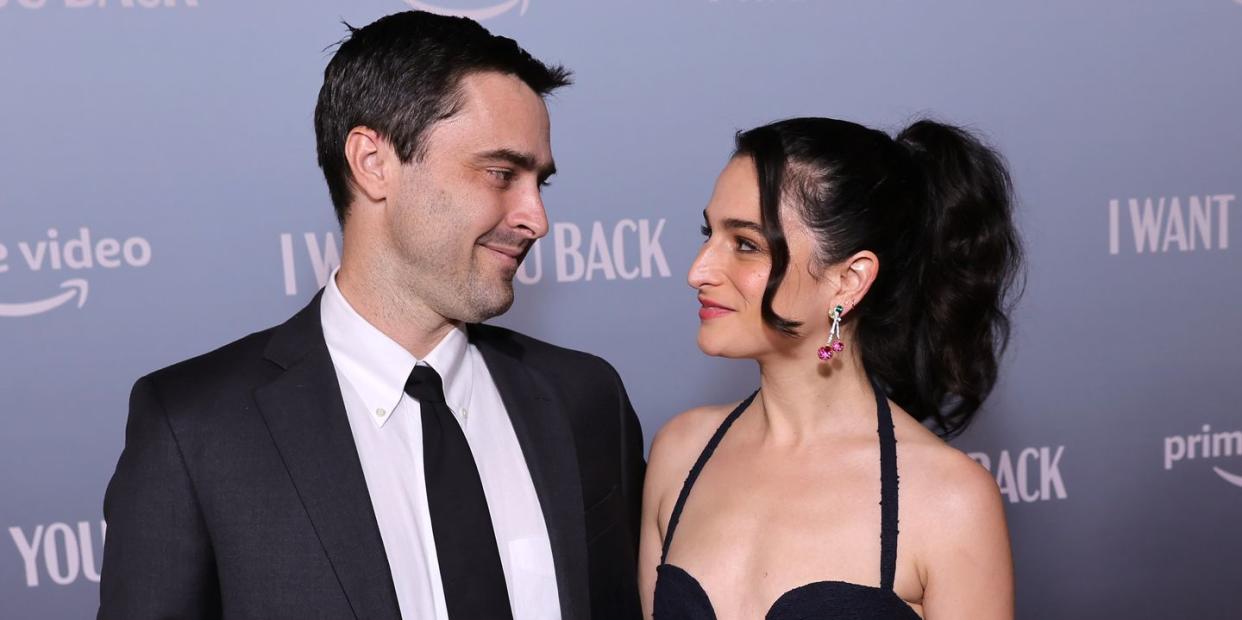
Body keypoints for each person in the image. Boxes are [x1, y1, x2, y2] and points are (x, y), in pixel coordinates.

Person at [98, 11, 643, 620]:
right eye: (500, 174)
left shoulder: (584, 398)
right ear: (373, 163)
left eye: (539, 181)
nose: (535, 218)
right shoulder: (195, 431)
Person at [639, 117, 1021, 619]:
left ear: (848, 281)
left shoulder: (949, 501)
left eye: (746, 244)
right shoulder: (679, 454)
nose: (698, 270)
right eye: (708, 233)